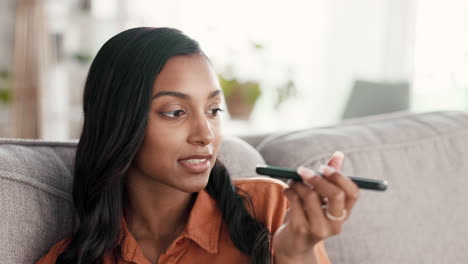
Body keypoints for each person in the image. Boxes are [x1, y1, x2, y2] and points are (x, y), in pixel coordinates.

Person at [36, 27, 359, 264]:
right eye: (176, 112)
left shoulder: (272, 209)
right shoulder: (69, 259)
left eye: (213, 110)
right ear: (118, 123)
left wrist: (295, 254)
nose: (205, 135)